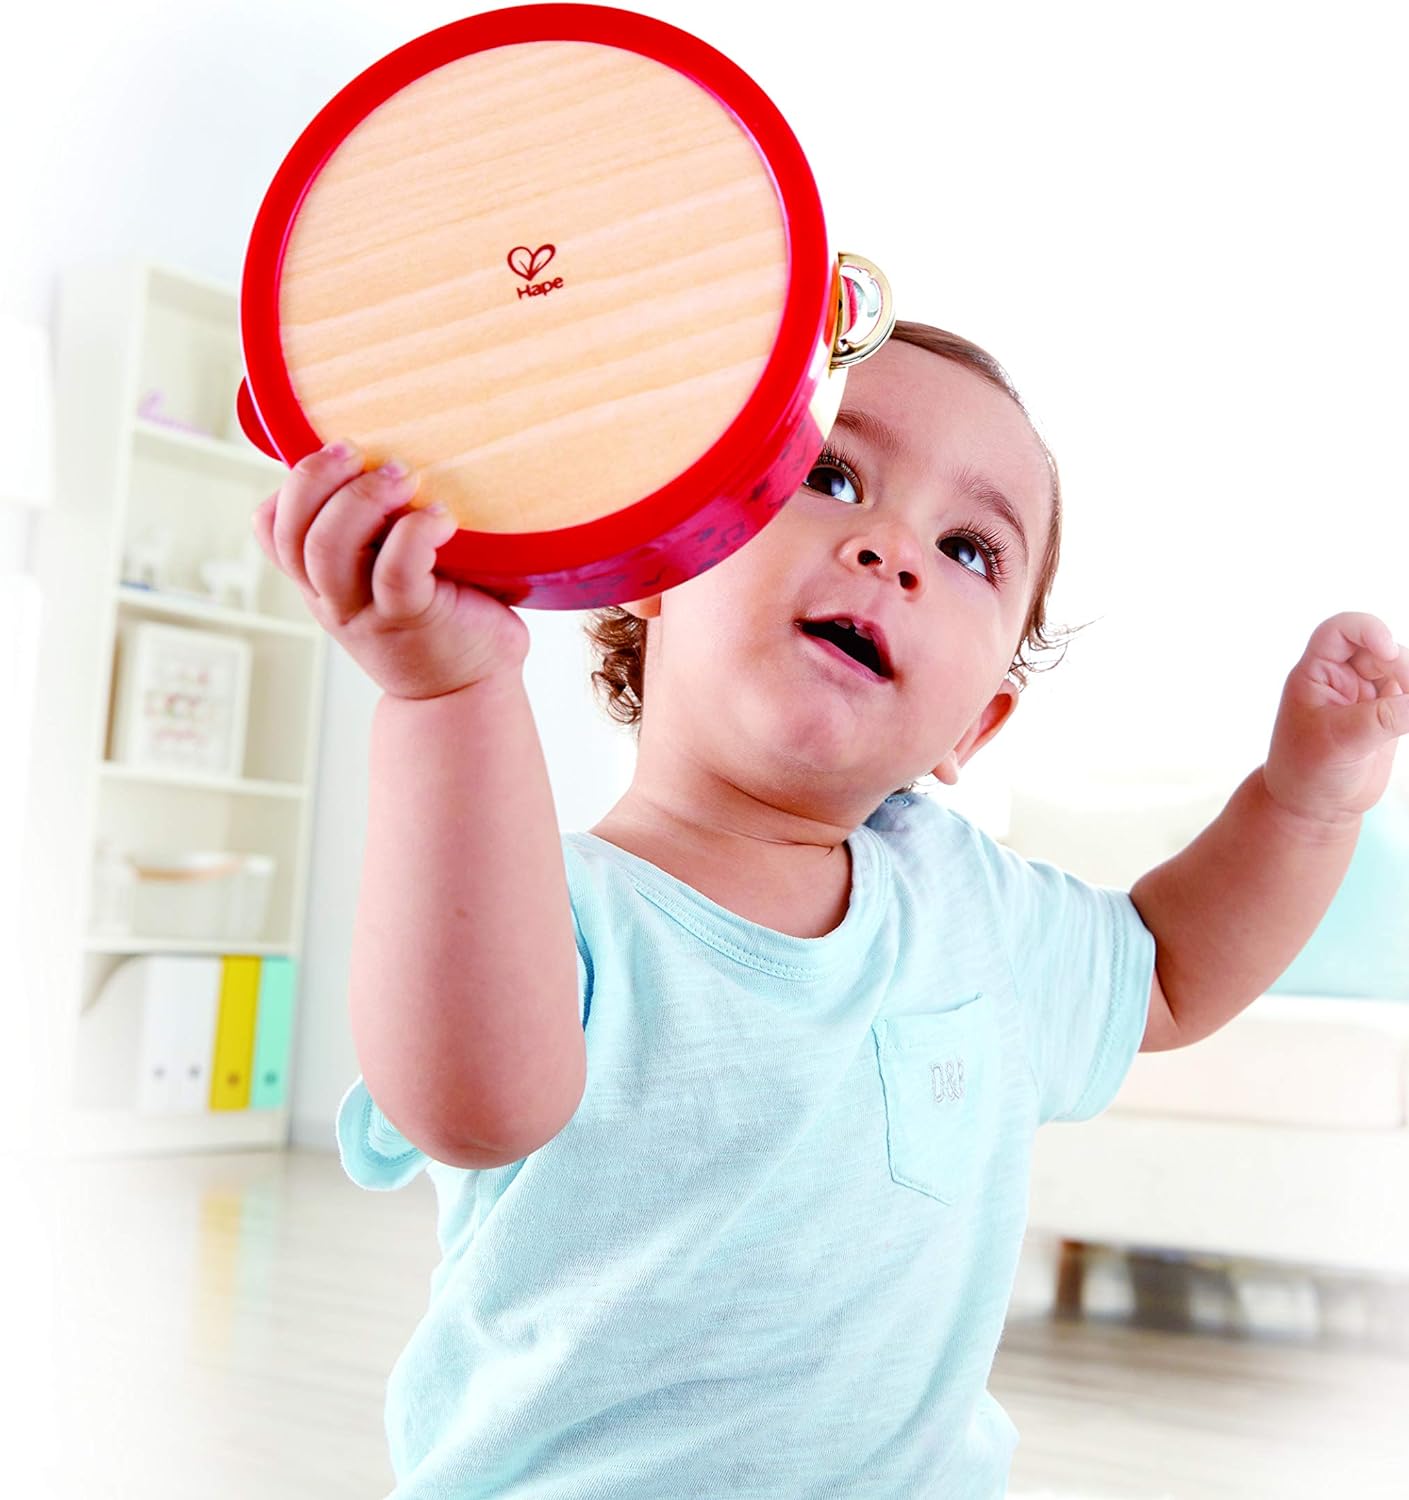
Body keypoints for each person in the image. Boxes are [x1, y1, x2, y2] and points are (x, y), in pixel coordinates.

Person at [252, 320, 1405, 1498]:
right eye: (829, 474)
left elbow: (1167, 971)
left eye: (968, 548)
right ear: (658, 564)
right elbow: (475, 1104)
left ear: (973, 730)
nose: (888, 548)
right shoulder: (549, 905)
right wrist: (449, 692)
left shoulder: (969, 907)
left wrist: (1303, 803)